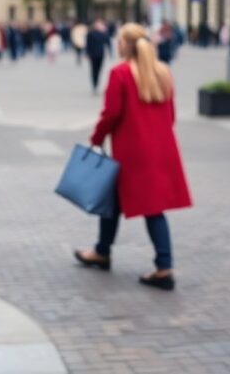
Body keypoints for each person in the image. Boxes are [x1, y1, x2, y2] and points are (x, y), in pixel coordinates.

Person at [74, 23, 192, 291]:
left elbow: (111, 113)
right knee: (117, 201)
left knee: (150, 208)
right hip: (161, 148)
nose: (116, 44)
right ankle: (102, 251)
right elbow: (171, 116)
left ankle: (164, 267)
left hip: (131, 151)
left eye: (119, 41)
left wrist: (96, 138)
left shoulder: (121, 73)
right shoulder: (163, 72)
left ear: (125, 44)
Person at [85, 18, 109, 94]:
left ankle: (97, 83)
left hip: (101, 54)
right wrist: (87, 53)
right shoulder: (91, 33)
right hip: (93, 54)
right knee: (94, 70)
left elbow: (107, 41)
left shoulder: (103, 33)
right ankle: (94, 84)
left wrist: (104, 32)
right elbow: (88, 44)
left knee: (99, 70)